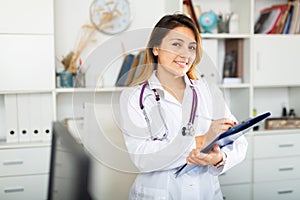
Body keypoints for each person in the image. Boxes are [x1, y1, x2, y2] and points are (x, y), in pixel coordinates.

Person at [119, 13, 248, 200]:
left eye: (191, 47)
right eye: (176, 44)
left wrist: (218, 159)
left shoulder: (209, 92)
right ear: (156, 48)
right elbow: (141, 158)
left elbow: (238, 143)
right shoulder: (133, 98)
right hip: (158, 193)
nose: (185, 54)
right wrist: (201, 142)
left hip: (204, 192)